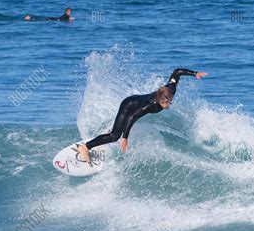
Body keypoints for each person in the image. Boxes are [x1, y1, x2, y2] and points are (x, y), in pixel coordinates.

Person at [77, 68, 209, 163]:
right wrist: (125, 137)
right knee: (114, 137)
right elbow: (132, 117)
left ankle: (112, 130)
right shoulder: (151, 105)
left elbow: (177, 72)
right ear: (159, 101)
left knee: (118, 130)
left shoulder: (170, 88)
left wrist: (195, 73)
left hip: (136, 101)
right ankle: (86, 147)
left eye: (168, 102)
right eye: (165, 104)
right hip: (128, 106)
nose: (167, 105)